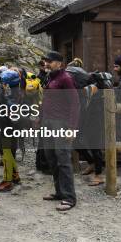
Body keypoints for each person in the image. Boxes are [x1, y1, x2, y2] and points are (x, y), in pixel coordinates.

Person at [41, 51, 80, 211]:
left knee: (63, 160)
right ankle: (59, 192)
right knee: (51, 158)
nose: (47, 64)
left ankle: (69, 198)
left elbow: (75, 104)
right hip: (48, 122)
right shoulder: (51, 77)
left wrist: (71, 128)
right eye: (46, 61)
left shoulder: (66, 79)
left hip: (61, 124)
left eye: (49, 61)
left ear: (59, 63)